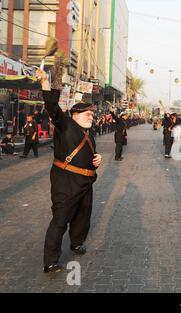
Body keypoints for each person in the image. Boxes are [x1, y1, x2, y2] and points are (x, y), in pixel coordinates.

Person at [36, 68, 102, 273]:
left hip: (85, 183)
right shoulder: (65, 124)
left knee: (83, 216)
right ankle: (50, 261)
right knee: (60, 219)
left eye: (92, 114)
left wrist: (97, 160)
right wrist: (45, 82)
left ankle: (76, 243)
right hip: (65, 182)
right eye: (87, 114)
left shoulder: (88, 133)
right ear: (74, 115)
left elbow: (89, 155)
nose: (91, 117)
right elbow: (52, 107)